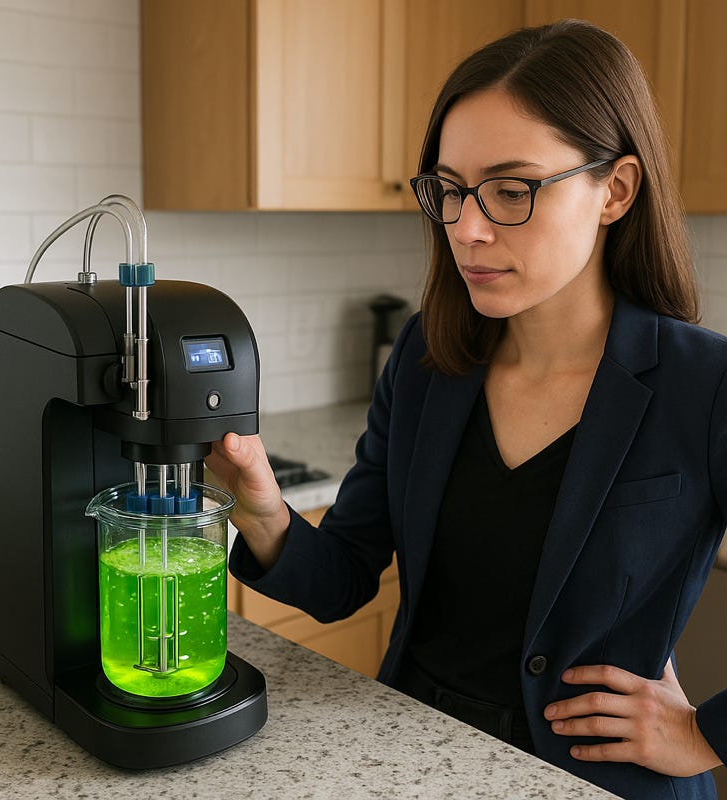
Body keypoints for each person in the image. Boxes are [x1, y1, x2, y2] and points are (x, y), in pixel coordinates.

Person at [205, 19, 727, 800]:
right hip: (414, 759)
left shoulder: (705, 382)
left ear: (614, 191)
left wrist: (702, 735)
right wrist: (263, 511)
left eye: (512, 190)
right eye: (449, 191)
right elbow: (347, 575)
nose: (468, 228)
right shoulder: (427, 359)